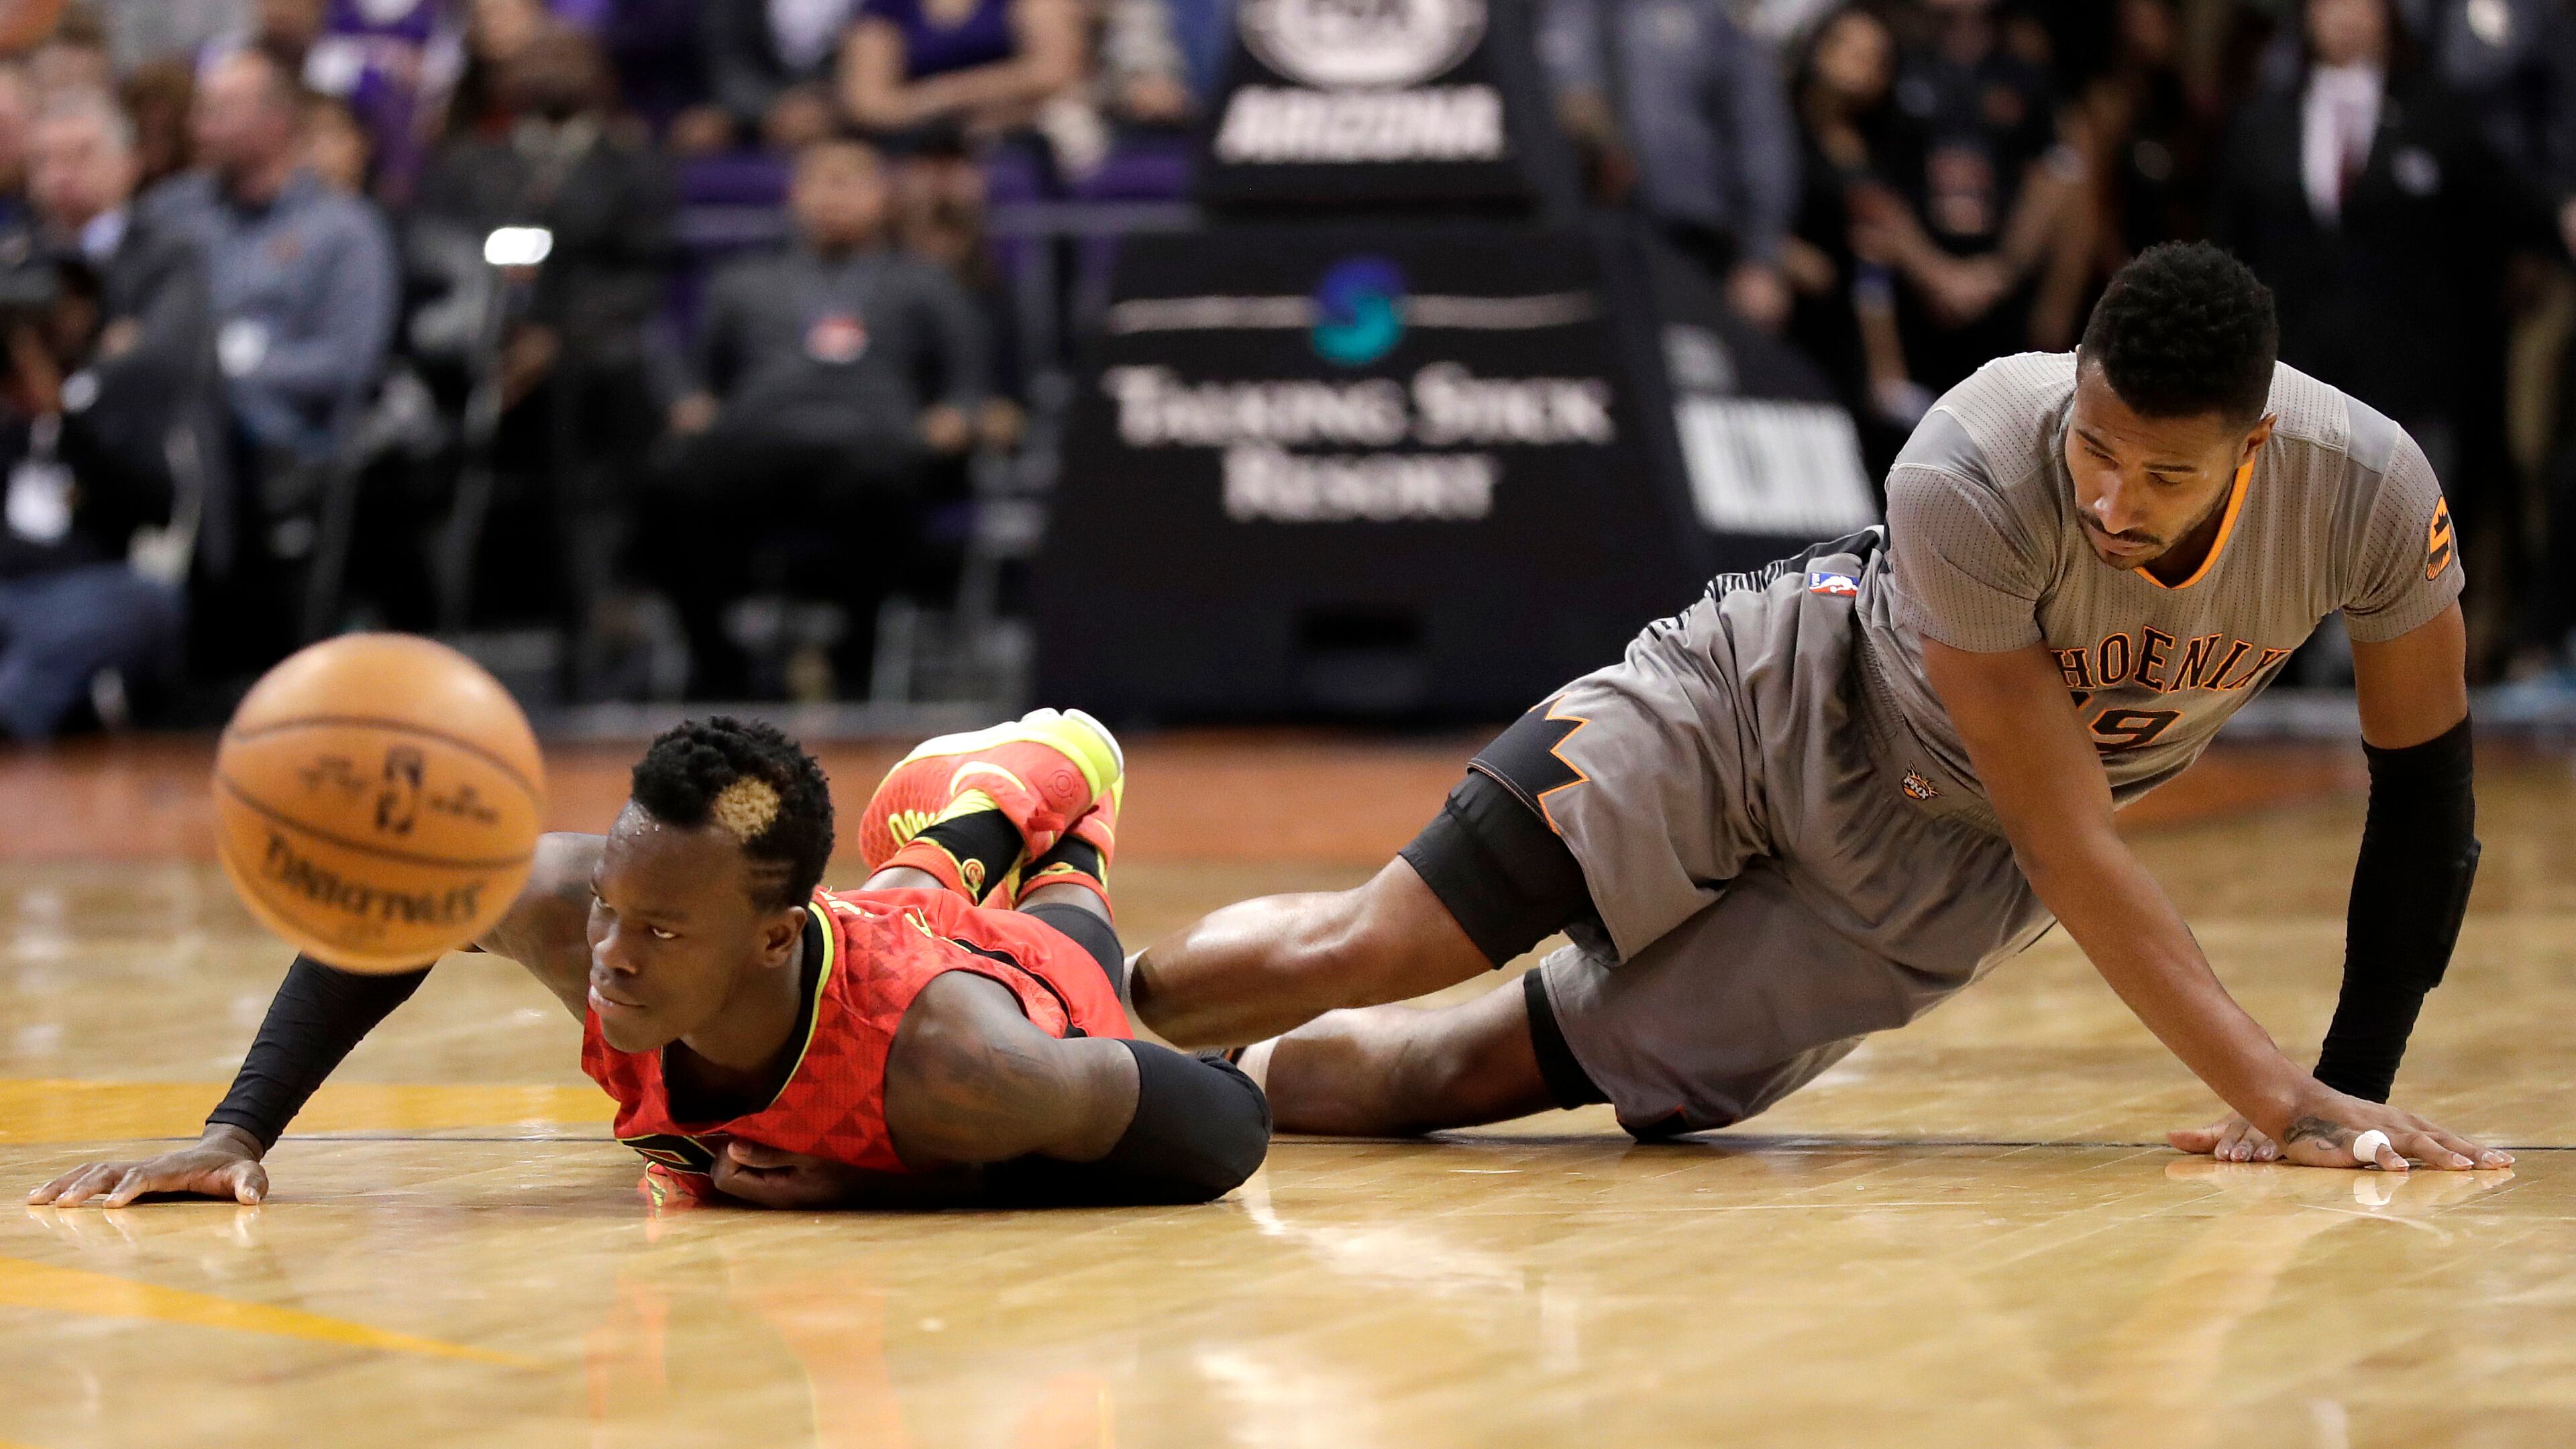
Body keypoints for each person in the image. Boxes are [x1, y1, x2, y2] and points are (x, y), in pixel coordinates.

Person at [1130, 242, 2508, 1177]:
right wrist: (2272, 1092)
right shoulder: (1973, 459)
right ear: (2071, 388)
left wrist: (2346, 1101)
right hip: (1771, 700)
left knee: (1437, 1079)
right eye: (2095, 447)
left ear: (2253, 450)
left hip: (1922, 883)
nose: (2110, 502)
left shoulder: (2369, 497)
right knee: (1370, 940)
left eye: (2163, 478)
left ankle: (1141, 1098)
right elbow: (2072, 842)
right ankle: (1071, 1007)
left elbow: (2427, 809)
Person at [28, 710, 1271, 1209]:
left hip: (1000, 986)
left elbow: (1227, 1131)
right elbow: (388, 912)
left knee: (1063, 935)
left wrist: (901, 1189)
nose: (610, 959)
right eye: (616, 910)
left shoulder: (963, 1065)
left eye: (660, 933)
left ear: (774, 935)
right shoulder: (584, 908)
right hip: (844, 937)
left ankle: (1062, 804)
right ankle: (977, 818)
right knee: (902, 876)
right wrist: (237, 1131)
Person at [2209, 0, 2558, 672]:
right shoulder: (2263, 119)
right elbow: (2228, 244)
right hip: (2295, 385)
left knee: (2395, 562)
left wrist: (2561, 221)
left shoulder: (2435, 113)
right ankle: (2300, 688)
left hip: (2414, 387)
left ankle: (2384, 704)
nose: (2346, 17)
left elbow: (2504, 207)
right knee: (2299, 554)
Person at [635, 134, 985, 699]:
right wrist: (689, 404)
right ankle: (719, 663)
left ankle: (852, 657)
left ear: (884, 197)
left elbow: (969, 385)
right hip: (757, 445)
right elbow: (694, 377)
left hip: (874, 449)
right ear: (793, 195)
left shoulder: (922, 282)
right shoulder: (742, 282)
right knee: (675, 484)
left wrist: (956, 418)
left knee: (884, 487)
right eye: (821, 182)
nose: (834, 198)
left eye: (851, 183)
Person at [142, 43, 395, 661]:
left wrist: (237, 373)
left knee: (202, 425)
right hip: (170, 424)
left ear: (278, 121)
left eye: (220, 110)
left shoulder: (344, 230)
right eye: (201, 110)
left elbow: (349, 365)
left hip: (286, 438)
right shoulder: (171, 214)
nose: (200, 126)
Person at [0, 89, 210, 739]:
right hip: (11, 581)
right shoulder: (15, 260)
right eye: (46, 161)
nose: (62, 176)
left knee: (132, 606)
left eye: (82, 156)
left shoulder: (169, 258)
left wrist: (70, 409)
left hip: (92, 580)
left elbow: (156, 494)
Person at [1538, 0, 1801, 330]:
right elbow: (1566, 91)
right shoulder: (1569, 11)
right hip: (1583, 229)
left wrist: (1760, 257)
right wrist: (1596, 139)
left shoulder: (1718, 17)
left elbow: (1760, 135)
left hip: (1693, 243)